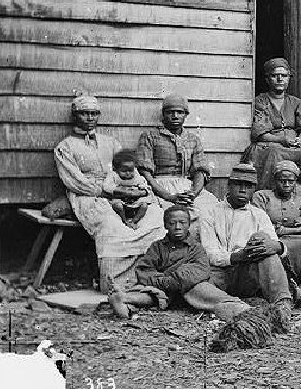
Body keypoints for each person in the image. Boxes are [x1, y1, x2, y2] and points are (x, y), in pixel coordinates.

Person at [53, 95, 165, 293]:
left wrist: (140, 188)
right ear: (75, 116)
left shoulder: (110, 143)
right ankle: (117, 285)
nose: (89, 118)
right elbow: (74, 181)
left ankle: (148, 277)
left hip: (122, 192)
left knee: (154, 216)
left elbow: (128, 168)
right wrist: (108, 192)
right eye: (84, 113)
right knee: (111, 225)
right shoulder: (65, 147)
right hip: (88, 195)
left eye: (94, 113)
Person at [108, 206, 252, 321]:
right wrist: (163, 282)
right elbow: (144, 270)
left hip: (188, 287)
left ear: (189, 225)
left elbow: (201, 270)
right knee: (148, 293)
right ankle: (124, 299)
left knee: (204, 290)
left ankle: (237, 308)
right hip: (163, 289)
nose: (177, 227)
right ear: (165, 225)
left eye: (182, 223)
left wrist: (175, 279)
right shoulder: (157, 247)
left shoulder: (196, 247)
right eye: (172, 223)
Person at [199, 164, 294, 310]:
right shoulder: (210, 212)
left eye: (248, 186)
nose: (243, 189)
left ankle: (282, 303)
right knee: (195, 285)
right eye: (238, 184)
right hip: (219, 274)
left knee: (263, 241)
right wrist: (237, 256)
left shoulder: (259, 214)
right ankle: (235, 304)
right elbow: (209, 252)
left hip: (246, 274)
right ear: (229, 185)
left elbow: (273, 245)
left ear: (254, 190)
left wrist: (277, 246)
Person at [135, 94, 219, 239]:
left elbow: (200, 170)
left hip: (187, 187)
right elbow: (145, 172)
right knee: (159, 218)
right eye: (170, 112)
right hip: (158, 187)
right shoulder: (150, 136)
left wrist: (193, 193)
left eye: (179, 112)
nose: (175, 116)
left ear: (186, 115)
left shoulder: (193, 139)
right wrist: (168, 196)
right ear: (163, 114)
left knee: (210, 211)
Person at [245, 58, 301, 190]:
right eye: (275, 76)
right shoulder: (261, 101)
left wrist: (300, 140)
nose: (280, 79)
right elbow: (261, 134)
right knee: (275, 153)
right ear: (267, 79)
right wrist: (282, 139)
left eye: (284, 76)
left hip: (294, 142)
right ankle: (270, 193)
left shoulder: (296, 102)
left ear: (289, 79)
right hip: (272, 142)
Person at [251, 161, 301, 274]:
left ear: (296, 181)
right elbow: (258, 223)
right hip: (271, 238)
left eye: (291, 181)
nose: (286, 184)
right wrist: (296, 229)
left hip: (296, 239)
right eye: (282, 181)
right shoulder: (262, 196)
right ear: (275, 181)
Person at [102, 149, 155, 227]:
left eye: (131, 170)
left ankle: (134, 220)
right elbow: (106, 186)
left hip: (135, 199)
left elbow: (144, 185)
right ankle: (124, 220)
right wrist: (118, 190)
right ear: (116, 169)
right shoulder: (113, 175)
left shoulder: (136, 176)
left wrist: (142, 192)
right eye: (124, 171)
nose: (128, 173)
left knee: (144, 205)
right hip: (120, 198)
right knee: (118, 206)